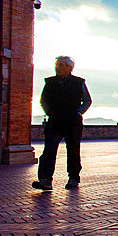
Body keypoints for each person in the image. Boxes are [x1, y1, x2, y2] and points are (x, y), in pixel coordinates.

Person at [32, 56, 92, 190]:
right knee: (49, 150)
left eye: (62, 65)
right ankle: (45, 180)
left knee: (73, 150)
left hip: (73, 121)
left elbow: (87, 100)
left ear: (69, 68)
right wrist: (49, 112)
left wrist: (79, 112)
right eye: (57, 64)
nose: (58, 67)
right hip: (55, 121)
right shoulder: (50, 82)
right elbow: (43, 100)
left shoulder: (79, 82)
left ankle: (73, 178)